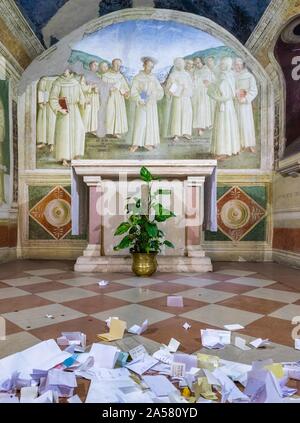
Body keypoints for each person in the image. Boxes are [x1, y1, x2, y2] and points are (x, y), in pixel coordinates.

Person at [49, 68, 86, 166]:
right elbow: (53, 98)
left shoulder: (75, 82)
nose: (63, 70)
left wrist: (83, 101)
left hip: (75, 109)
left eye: (65, 68)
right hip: (64, 110)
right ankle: (64, 158)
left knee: (79, 130)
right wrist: (59, 108)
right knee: (64, 134)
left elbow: (81, 95)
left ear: (70, 70)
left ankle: (76, 155)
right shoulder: (58, 82)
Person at [207, 57, 240, 159]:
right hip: (228, 106)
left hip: (224, 105)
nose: (220, 66)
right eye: (220, 64)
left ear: (226, 65)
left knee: (223, 126)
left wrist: (210, 91)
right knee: (229, 126)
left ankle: (223, 152)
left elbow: (223, 95)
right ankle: (233, 148)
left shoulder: (225, 77)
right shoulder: (228, 75)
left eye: (222, 64)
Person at [130, 57, 164, 152]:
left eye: (151, 67)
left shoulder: (154, 78)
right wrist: (139, 99)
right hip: (142, 103)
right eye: (148, 66)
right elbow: (133, 91)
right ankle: (136, 144)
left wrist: (155, 95)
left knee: (150, 123)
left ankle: (147, 143)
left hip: (151, 104)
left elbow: (160, 90)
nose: (150, 68)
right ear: (144, 65)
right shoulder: (138, 77)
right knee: (140, 123)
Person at [166, 57, 193, 141]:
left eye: (182, 64)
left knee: (186, 114)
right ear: (176, 65)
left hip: (185, 97)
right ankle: (176, 133)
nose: (181, 65)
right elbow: (169, 87)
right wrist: (177, 87)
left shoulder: (187, 74)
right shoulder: (173, 75)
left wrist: (186, 88)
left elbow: (191, 85)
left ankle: (186, 132)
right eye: (179, 64)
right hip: (177, 97)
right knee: (176, 115)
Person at [234, 58, 258, 153]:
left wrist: (246, 98)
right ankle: (239, 145)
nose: (238, 66)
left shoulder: (249, 76)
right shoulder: (233, 76)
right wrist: (236, 93)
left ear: (243, 65)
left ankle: (249, 145)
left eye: (239, 64)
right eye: (236, 64)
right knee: (236, 124)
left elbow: (254, 90)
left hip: (245, 105)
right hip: (235, 103)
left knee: (246, 124)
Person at [102, 58, 130, 138]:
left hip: (119, 98)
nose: (118, 67)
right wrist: (109, 89)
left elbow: (125, 88)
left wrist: (126, 92)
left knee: (118, 114)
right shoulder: (105, 75)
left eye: (119, 66)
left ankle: (116, 131)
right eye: (116, 65)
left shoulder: (120, 76)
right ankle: (107, 130)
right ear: (112, 65)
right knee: (109, 113)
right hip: (109, 98)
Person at [192, 57, 212, 136]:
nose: (197, 64)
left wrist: (198, 81)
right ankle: (199, 127)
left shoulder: (206, 70)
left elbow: (207, 83)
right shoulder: (196, 71)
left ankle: (202, 127)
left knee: (202, 109)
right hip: (196, 92)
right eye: (195, 63)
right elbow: (193, 81)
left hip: (203, 92)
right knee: (197, 109)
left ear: (202, 62)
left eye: (198, 62)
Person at [36, 76, 57, 151]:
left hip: (54, 105)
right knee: (43, 123)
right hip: (45, 104)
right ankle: (43, 142)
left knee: (52, 124)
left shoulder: (59, 79)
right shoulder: (44, 79)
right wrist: (41, 102)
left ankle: (52, 143)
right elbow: (41, 90)